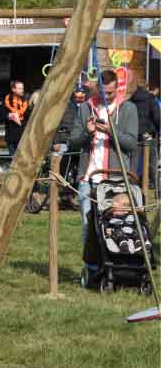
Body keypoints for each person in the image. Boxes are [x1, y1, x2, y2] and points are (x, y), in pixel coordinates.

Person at [70, 70, 138, 252]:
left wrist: (111, 131)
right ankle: (90, 267)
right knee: (88, 227)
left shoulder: (128, 108)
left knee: (115, 227)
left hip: (115, 181)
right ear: (96, 89)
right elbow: (73, 142)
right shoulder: (85, 108)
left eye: (110, 92)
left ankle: (111, 264)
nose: (106, 96)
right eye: (102, 92)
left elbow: (131, 144)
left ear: (117, 88)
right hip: (88, 179)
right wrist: (88, 132)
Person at [129, 80, 160, 185]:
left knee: (134, 161)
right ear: (147, 88)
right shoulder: (152, 100)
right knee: (152, 160)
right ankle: (153, 183)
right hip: (149, 134)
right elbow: (157, 117)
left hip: (135, 134)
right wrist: (158, 130)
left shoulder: (131, 100)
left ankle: (132, 183)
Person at [4, 80, 28, 156]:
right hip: (11, 135)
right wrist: (10, 115)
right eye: (19, 88)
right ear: (13, 89)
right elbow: (2, 114)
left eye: (22, 88)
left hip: (22, 135)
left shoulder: (25, 100)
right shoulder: (7, 99)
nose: (22, 90)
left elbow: (28, 116)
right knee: (13, 158)